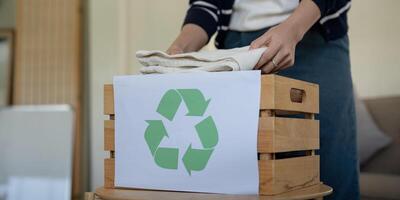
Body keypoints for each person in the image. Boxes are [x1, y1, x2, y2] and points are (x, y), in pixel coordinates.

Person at [167, 0, 359, 199]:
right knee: (243, 173)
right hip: (240, 49)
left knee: (330, 166)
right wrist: (179, 49)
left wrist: (293, 28)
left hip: (314, 35)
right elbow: (206, 4)